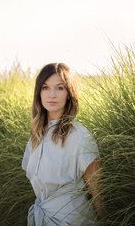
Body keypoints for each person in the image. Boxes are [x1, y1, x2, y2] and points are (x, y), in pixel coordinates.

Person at [22, 63, 105, 226]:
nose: (51, 94)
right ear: (39, 93)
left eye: (59, 88)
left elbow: (97, 192)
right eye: (45, 88)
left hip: (73, 220)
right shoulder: (36, 136)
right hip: (41, 219)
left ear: (69, 93)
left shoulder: (80, 135)